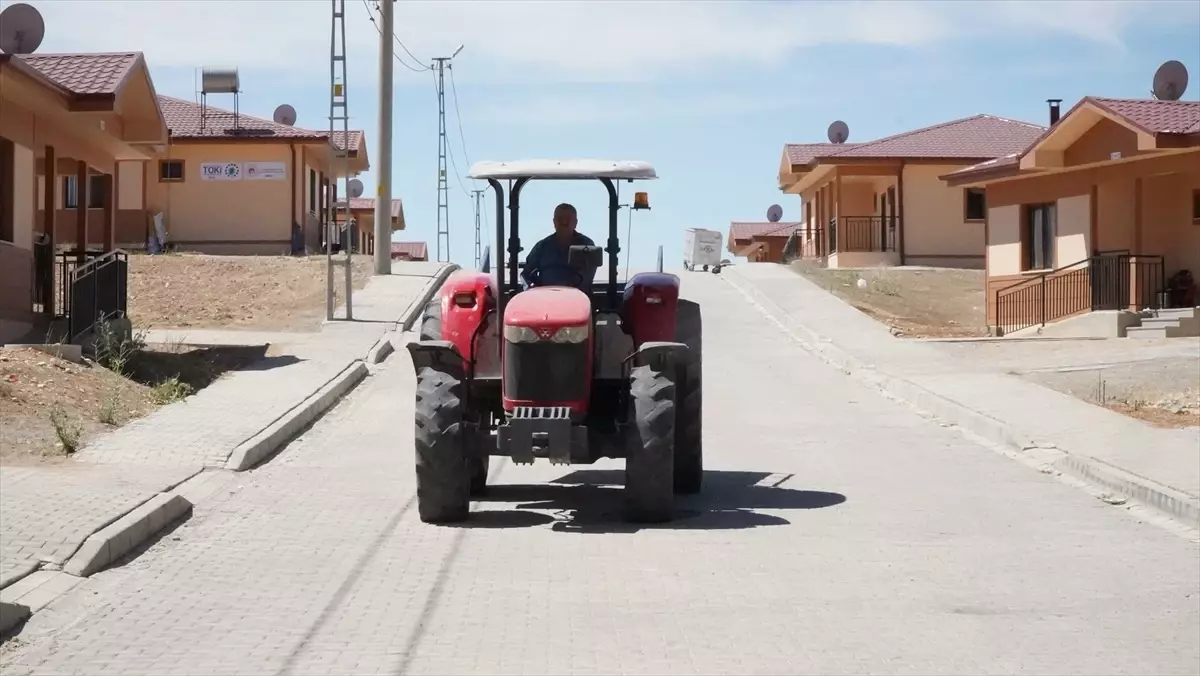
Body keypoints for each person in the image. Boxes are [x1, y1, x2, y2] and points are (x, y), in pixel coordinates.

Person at [522, 203, 596, 288]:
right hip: (545, 297)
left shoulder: (586, 246)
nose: (564, 222)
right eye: (560, 219)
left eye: (568, 219)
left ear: (575, 222)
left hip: (576, 296)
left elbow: (588, 276)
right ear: (554, 222)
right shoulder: (541, 247)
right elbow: (526, 275)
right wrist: (531, 286)